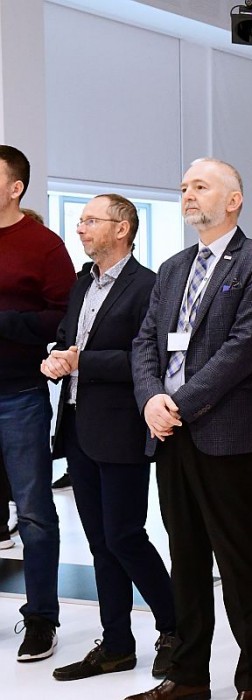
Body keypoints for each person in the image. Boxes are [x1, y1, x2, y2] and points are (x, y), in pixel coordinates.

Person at [130, 158, 252, 700]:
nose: (188, 195)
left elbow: (242, 349)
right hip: (170, 434)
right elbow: (145, 342)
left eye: (200, 186)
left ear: (233, 200)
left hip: (227, 435)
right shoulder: (172, 267)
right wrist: (151, 399)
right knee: (186, 559)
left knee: (240, 563)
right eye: (184, 188)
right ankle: (190, 676)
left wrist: (177, 403)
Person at [40, 194, 177, 682]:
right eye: (80, 220)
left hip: (121, 428)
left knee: (125, 536)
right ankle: (117, 644)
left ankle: (175, 628)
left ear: (122, 229)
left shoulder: (148, 286)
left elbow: (147, 359)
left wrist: (82, 362)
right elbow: (66, 336)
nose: (80, 228)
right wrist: (56, 356)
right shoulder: (83, 283)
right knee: (100, 542)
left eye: (90, 220)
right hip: (78, 426)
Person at [0, 144, 76, 661]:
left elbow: (63, 317)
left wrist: (6, 323)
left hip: (19, 395)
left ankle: (41, 619)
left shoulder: (44, 246)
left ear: (15, 187)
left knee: (33, 513)